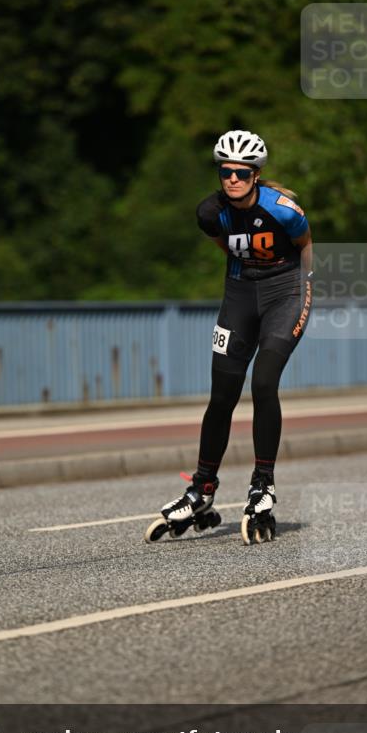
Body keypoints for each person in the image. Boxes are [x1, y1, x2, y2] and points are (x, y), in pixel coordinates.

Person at [149, 129, 313, 545]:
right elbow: (226, 245)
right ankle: (202, 488)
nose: (233, 179)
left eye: (242, 172)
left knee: (262, 383)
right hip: (240, 294)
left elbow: (305, 244)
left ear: (256, 174)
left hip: (286, 293)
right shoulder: (210, 213)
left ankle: (263, 485)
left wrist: (302, 283)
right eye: (226, 172)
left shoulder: (285, 210)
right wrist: (249, 271)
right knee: (221, 395)